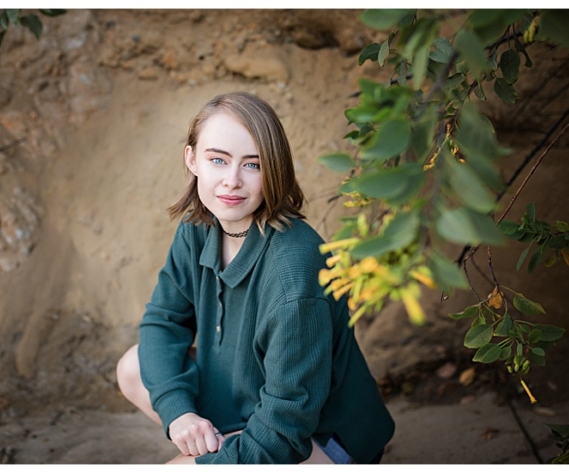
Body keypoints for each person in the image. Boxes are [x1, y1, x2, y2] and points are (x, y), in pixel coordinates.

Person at [115, 92, 394, 464]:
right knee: (135, 367)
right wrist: (179, 412)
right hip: (248, 409)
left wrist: (206, 462)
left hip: (317, 438)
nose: (232, 181)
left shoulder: (294, 271)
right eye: (218, 160)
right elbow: (164, 321)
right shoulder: (198, 228)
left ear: (274, 170)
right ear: (192, 159)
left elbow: (285, 427)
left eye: (253, 165)